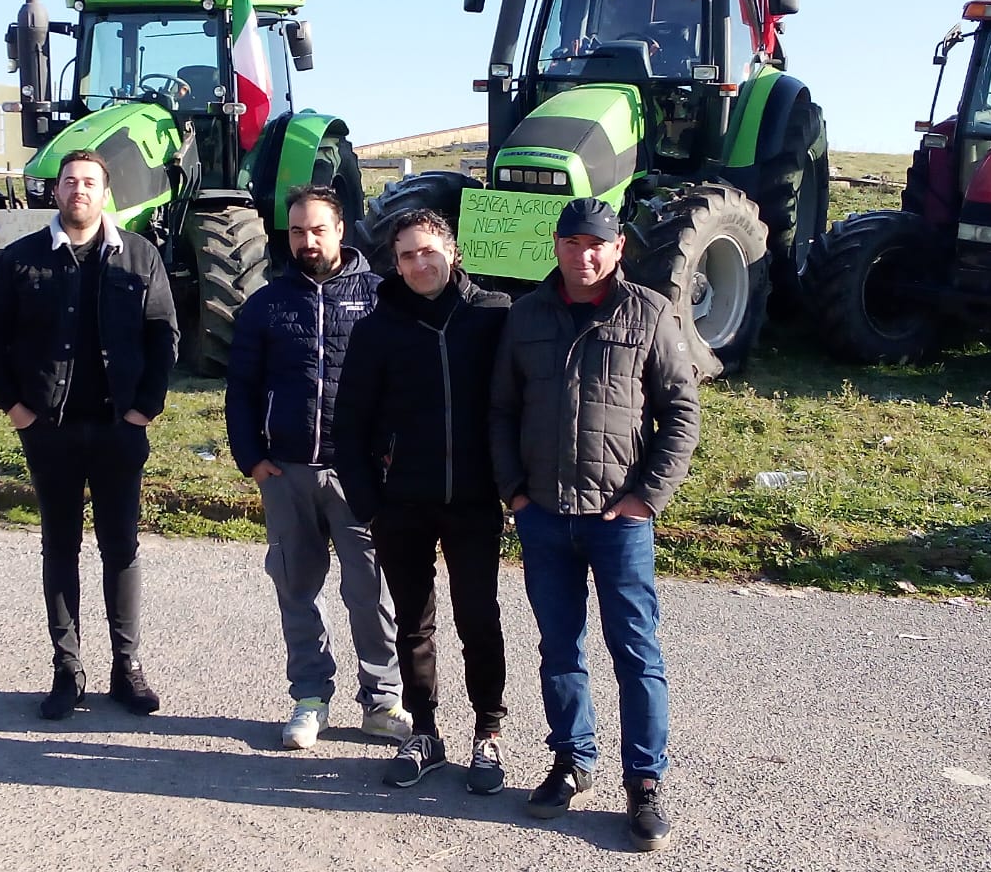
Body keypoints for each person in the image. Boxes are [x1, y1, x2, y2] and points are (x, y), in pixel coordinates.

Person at [490, 196, 701, 852]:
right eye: (572, 241)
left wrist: (647, 498)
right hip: (545, 517)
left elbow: (682, 415)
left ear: (618, 250)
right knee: (560, 651)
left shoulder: (649, 313)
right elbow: (499, 410)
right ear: (555, 246)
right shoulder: (526, 316)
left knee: (636, 654)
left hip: (620, 521)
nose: (584, 254)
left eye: (597, 244)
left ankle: (644, 784)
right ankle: (571, 761)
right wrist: (515, 493)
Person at [0, 150, 178, 720]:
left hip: (120, 429)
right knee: (59, 548)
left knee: (122, 548)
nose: (79, 191)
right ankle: (67, 671)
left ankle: (126, 667)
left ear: (105, 191)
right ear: (57, 191)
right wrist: (15, 409)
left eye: (90, 182)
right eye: (70, 182)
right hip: (50, 433)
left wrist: (144, 411)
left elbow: (165, 336)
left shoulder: (140, 256)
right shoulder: (23, 259)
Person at [227, 185, 412, 750]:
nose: (307, 241)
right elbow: (241, 388)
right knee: (296, 588)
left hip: (358, 475)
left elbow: (402, 386)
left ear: (342, 230)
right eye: (297, 231)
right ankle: (310, 698)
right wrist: (252, 458)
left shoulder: (382, 296)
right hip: (286, 472)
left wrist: (391, 456)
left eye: (318, 230)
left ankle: (382, 700)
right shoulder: (266, 303)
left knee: (370, 589)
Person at [335, 209, 512, 793]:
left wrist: (512, 486)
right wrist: (369, 503)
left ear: (452, 251)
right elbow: (350, 424)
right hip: (401, 504)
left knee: (478, 619)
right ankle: (425, 733)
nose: (418, 263)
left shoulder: (492, 316)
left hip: (475, 500)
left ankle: (488, 734)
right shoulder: (377, 329)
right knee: (412, 623)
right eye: (407, 255)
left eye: (428, 250)